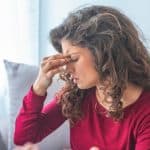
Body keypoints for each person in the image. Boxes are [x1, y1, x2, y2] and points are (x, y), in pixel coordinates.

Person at [14, 5, 150, 150]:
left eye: (73, 58)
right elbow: (24, 139)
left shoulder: (145, 112)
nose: (67, 68)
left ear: (103, 52)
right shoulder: (77, 95)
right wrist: (39, 87)